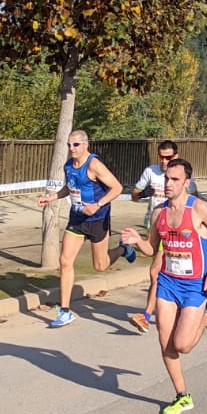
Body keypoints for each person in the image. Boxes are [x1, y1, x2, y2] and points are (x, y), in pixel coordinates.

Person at [118, 159, 207, 414]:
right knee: (165, 342)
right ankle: (182, 396)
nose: (168, 184)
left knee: (182, 345)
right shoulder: (158, 213)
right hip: (168, 283)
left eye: (175, 179)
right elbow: (152, 249)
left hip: (195, 285)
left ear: (186, 182)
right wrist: (137, 241)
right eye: (166, 178)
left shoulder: (199, 209)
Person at [37, 130, 129, 328]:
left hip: (97, 219)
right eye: (69, 145)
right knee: (65, 261)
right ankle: (65, 311)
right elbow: (69, 188)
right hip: (77, 219)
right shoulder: (69, 165)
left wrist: (98, 204)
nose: (72, 149)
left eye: (76, 144)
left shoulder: (94, 165)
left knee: (100, 266)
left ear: (86, 145)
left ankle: (123, 249)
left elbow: (117, 188)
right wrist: (51, 197)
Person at [129, 139, 191, 333]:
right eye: (161, 157)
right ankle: (181, 308)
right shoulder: (150, 172)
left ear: (176, 155)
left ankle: (147, 316)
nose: (164, 161)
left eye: (168, 157)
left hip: (175, 230)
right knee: (161, 273)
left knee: (156, 272)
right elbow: (133, 195)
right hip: (154, 227)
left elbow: (195, 201)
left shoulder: (182, 174)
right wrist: (142, 194)